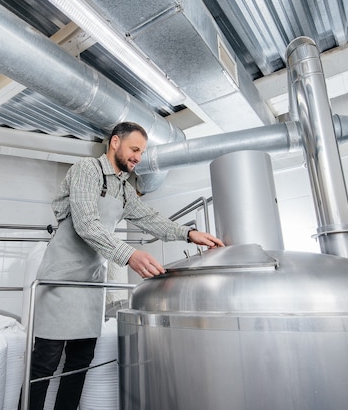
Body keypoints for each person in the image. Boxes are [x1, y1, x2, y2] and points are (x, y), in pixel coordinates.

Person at [24, 121, 224, 410]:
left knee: (79, 363)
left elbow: (149, 217)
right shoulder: (86, 170)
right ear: (115, 142)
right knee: (45, 363)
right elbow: (86, 224)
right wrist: (129, 254)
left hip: (92, 287)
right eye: (134, 149)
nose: (138, 157)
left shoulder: (123, 189)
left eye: (141, 152)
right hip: (60, 283)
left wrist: (189, 234)